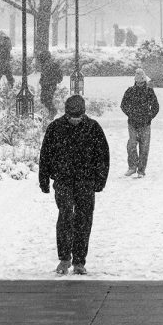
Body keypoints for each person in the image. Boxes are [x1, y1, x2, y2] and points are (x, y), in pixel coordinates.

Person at [39, 95, 110, 276]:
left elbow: (103, 156)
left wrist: (100, 180)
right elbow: (45, 154)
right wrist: (44, 179)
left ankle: (79, 260)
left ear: (84, 113)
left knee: (84, 219)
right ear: (66, 113)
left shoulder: (93, 128)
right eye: (72, 117)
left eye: (78, 117)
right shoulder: (55, 128)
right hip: (63, 180)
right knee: (65, 216)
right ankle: (64, 258)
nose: (75, 121)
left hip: (86, 181)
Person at [119, 68, 159, 178]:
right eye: (138, 82)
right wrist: (131, 114)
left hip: (145, 124)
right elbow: (123, 105)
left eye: (142, 82)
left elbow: (155, 107)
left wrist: (149, 117)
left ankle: (141, 170)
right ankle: (132, 167)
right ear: (135, 81)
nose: (140, 84)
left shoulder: (149, 91)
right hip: (132, 123)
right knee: (131, 145)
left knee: (144, 147)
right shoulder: (130, 91)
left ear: (144, 81)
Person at [38, 50, 64, 118]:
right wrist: (42, 81)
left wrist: (52, 81)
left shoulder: (52, 65)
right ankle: (51, 113)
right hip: (47, 85)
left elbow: (59, 77)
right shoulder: (46, 65)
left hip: (50, 85)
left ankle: (52, 112)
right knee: (44, 99)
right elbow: (43, 76)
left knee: (46, 99)